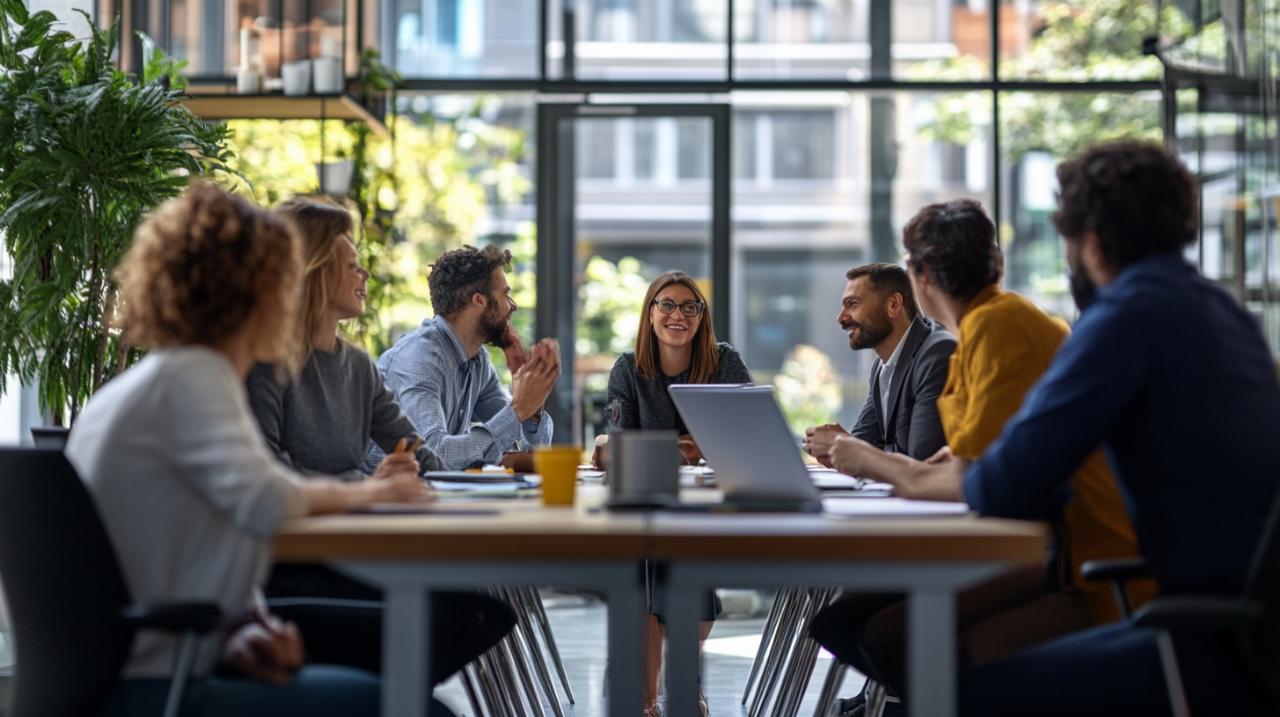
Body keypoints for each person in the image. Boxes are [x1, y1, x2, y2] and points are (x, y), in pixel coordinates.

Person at [830, 141, 1280, 716]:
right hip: (1239, 614)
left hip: (1202, 632)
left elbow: (1004, 484)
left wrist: (905, 467)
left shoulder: (1123, 320)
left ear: (1088, 242)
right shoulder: (1219, 310)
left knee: (957, 695)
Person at [65, 183, 451, 716]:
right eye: (287, 283)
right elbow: (268, 498)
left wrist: (243, 626)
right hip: (158, 685)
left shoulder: (170, 377)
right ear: (252, 293)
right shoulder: (192, 378)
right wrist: (374, 492)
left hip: (162, 664)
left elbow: (196, 537)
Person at [811, 199, 1151, 716]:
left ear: (919, 278)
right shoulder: (984, 329)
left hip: (1080, 560)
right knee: (854, 624)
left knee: (887, 633)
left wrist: (869, 460)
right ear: (994, 262)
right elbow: (969, 456)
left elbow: (970, 475)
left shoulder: (1000, 326)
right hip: (1054, 545)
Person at [245, 198, 516, 686]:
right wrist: (369, 487)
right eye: (350, 264)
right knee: (457, 616)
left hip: (352, 546)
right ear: (313, 272)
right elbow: (267, 484)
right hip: (288, 567)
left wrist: (399, 476)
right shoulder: (264, 364)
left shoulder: (357, 366)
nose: (364, 273)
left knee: (484, 613)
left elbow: (423, 456)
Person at [599, 270, 752, 717]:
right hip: (647, 500)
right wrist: (686, 445)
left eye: (690, 306)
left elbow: (747, 431)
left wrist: (659, 447)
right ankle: (653, 697)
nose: (677, 314)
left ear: (702, 318)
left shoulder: (724, 362)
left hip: (709, 503)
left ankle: (675, 686)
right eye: (666, 304)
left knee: (683, 558)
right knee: (647, 562)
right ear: (650, 315)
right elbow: (615, 445)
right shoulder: (627, 369)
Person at [375, 245, 559, 470]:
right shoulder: (420, 360)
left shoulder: (477, 361)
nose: (513, 305)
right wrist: (519, 409)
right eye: (505, 294)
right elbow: (433, 456)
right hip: (383, 498)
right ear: (479, 301)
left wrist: (532, 402)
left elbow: (526, 445)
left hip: (433, 496)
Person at [804, 263, 955, 464]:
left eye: (853, 304)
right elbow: (862, 441)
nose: (841, 318)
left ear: (893, 305)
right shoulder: (882, 365)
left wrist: (843, 446)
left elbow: (921, 459)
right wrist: (834, 448)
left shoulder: (936, 355)